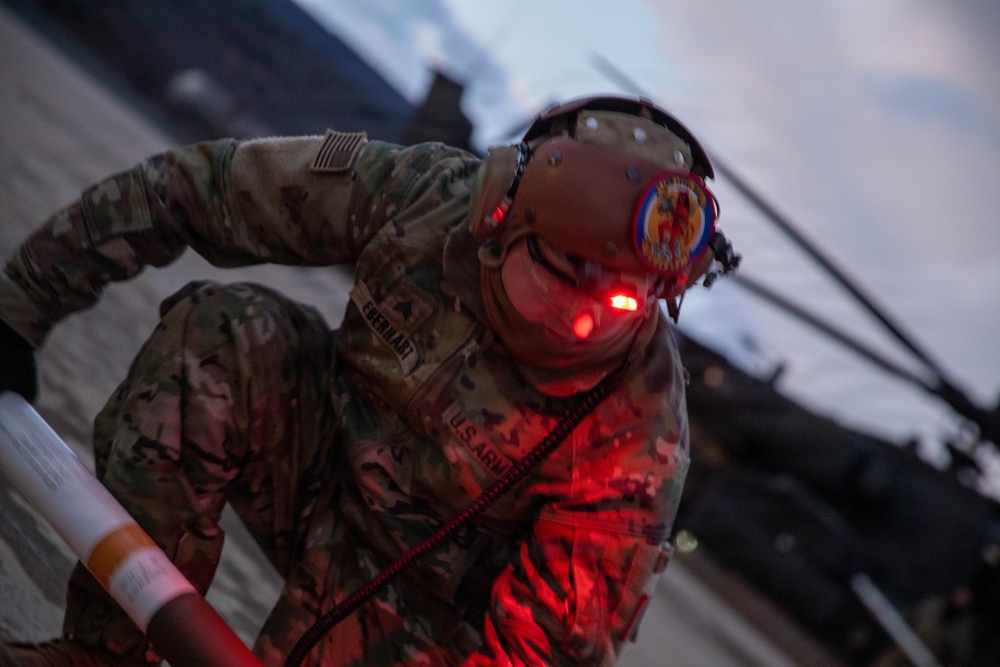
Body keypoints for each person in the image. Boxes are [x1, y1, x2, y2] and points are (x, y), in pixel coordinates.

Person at [0, 95, 737, 666]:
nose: (581, 322)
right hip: (316, 469)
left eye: (618, 302)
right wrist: (17, 308)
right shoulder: (425, 199)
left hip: (429, 612)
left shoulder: (638, 436)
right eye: (563, 273)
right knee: (221, 331)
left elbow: (541, 652)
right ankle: (101, 654)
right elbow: (205, 189)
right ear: (503, 214)